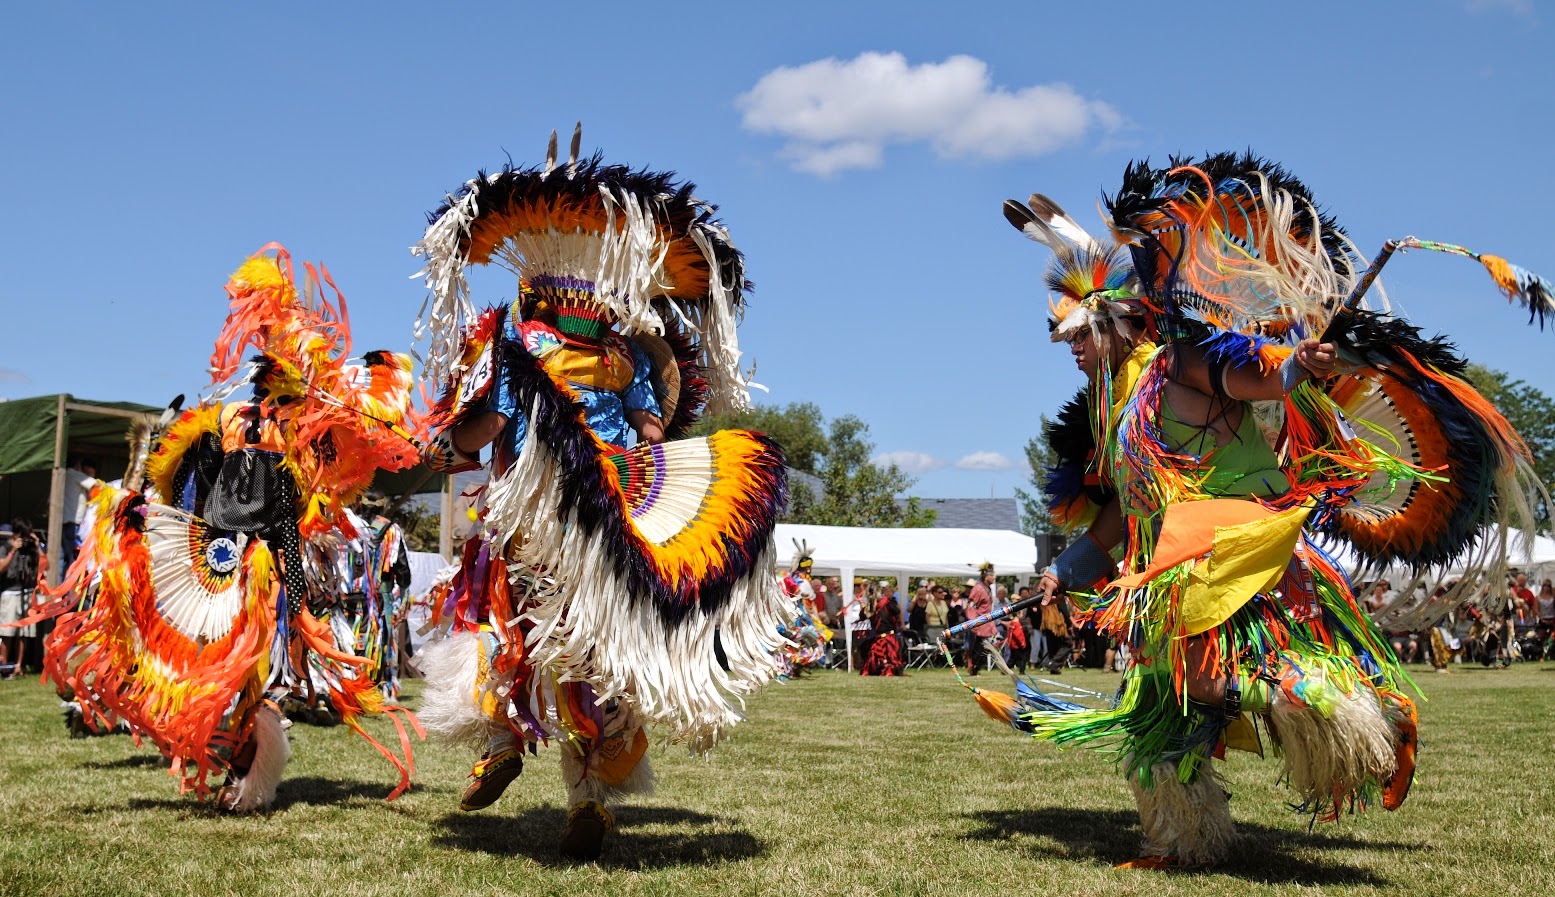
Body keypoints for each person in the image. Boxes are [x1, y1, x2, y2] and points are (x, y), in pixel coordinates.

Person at [982, 152, 1543, 869]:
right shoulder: (1121, 401)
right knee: (1159, 716)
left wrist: (1295, 366)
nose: (1067, 348)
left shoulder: (1182, 363)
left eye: (1075, 333)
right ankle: (1184, 842)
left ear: (1115, 317)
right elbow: (1127, 507)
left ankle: (1374, 718)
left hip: (1235, 558)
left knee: (1222, 683)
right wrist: (1066, 568)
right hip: (1175, 575)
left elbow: (1260, 375)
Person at [412, 134, 788, 861]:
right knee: (572, 651)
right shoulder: (612, 353)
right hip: (575, 518)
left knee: (520, 633)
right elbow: (647, 433)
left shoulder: (518, 343)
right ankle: (564, 782)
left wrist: (451, 447)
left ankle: (518, 757)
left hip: (547, 517)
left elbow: (487, 427)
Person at [19, 245, 424, 809]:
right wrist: (150, 516)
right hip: (216, 553)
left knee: (254, 673)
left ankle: (250, 775)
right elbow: (191, 485)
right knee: (211, 663)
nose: (264, 390)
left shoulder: (302, 435)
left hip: (265, 564)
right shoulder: (228, 421)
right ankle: (231, 759)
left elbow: (294, 505)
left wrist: (292, 576)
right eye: (266, 377)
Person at [0, 521, 41, 679]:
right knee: (7, 631)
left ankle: (19, 665)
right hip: (10, 592)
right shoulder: (5, 547)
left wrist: (37, 546)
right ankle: (4, 666)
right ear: (16, 534)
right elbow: (1, 568)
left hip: (27, 591)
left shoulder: (31, 550)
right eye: (22, 536)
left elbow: (46, 565)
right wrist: (14, 550)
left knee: (24, 632)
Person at [965, 567, 996, 675]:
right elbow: (971, 605)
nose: (994, 577)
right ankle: (973, 668)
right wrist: (973, 621)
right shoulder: (978, 588)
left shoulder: (987, 588)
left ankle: (976, 668)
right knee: (978, 646)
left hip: (986, 621)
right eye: (992, 575)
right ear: (986, 576)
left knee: (982, 646)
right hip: (979, 621)